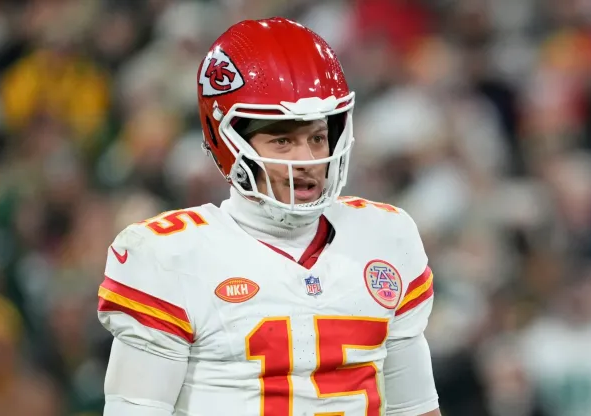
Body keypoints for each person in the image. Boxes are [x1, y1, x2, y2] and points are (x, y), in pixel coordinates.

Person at [97, 17, 440, 416]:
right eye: (282, 141)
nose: (308, 160)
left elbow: (415, 409)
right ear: (230, 144)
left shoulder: (386, 237)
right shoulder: (168, 257)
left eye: (316, 137)